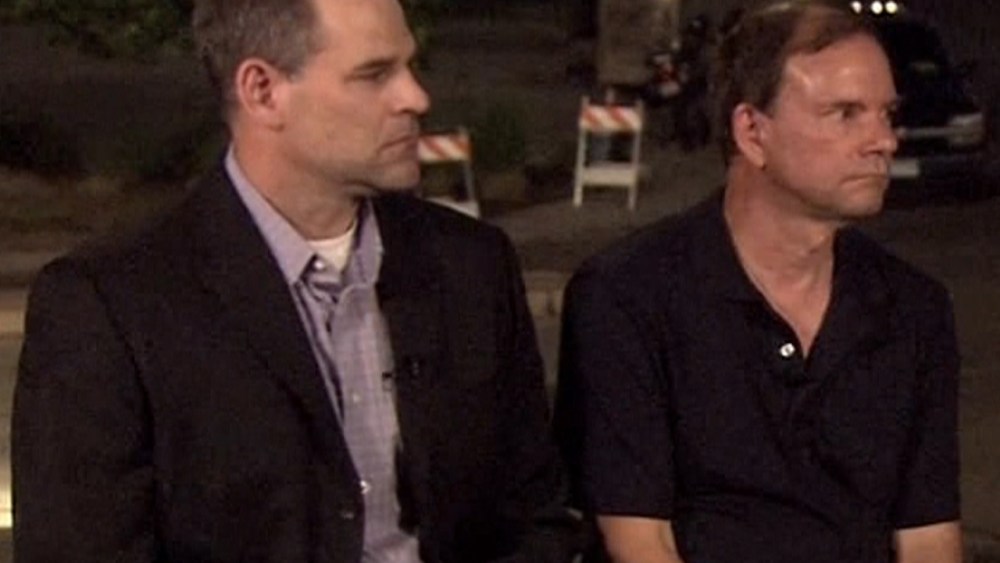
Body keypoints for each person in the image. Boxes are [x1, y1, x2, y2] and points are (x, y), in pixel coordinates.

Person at [12, 0, 579, 561]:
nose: (416, 97)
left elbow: (536, 520)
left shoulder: (472, 264)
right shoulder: (111, 304)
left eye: (410, 65)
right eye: (375, 74)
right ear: (263, 91)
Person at [554, 1, 961, 562]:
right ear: (751, 131)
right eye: (846, 113)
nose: (884, 140)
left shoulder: (914, 308)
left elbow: (929, 537)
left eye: (886, 114)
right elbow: (639, 542)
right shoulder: (626, 295)